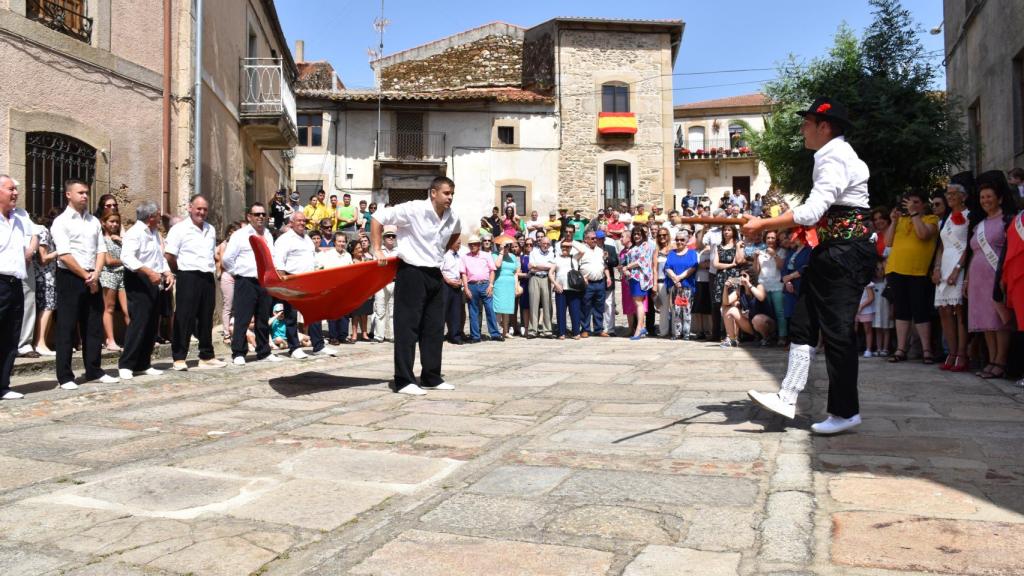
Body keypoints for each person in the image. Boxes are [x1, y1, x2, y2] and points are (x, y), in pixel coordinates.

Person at [744, 97, 876, 435]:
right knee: (803, 321)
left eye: (807, 123)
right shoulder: (834, 155)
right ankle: (787, 396)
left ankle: (846, 412)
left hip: (845, 253)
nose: (803, 129)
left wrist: (763, 225)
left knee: (837, 333)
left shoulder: (834, 156)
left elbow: (811, 212)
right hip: (833, 251)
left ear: (825, 126)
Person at [371, 176, 460, 395]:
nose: (450, 197)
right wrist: (378, 248)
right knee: (407, 327)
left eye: (452, 194)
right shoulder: (413, 209)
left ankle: (431, 376)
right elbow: (378, 217)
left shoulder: (452, 216)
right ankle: (404, 380)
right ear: (433, 193)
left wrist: (441, 251)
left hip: (434, 273)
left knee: (434, 328)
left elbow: (457, 231)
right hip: (411, 271)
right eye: (446, 193)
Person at [51, 180, 118, 390]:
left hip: (92, 275)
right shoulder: (61, 222)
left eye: (87, 193)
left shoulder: (93, 222)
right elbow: (64, 254)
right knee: (67, 326)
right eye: (80, 193)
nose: (85, 196)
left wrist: (96, 274)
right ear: (68, 195)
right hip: (70, 277)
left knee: (93, 324)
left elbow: (100, 250)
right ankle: (65, 376)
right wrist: (85, 275)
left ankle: (94, 369)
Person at [165, 195, 225, 371]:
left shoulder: (210, 229)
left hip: (207, 276)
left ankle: (206, 355)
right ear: (190, 208)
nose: (202, 212)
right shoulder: (179, 229)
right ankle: (179, 357)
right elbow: (169, 255)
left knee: (206, 317)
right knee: (184, 317)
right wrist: (180, 271)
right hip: (188, 275)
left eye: (205, 209)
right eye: (199, 208)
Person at [118, 201, 172, 380]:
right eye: (157, 215)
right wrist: (148, 272)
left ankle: (143, 363)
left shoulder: (155, 233)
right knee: (139, 322)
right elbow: (127, 258)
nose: (159, 218)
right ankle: (126, 364)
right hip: (139, 279)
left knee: (151, 323)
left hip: (155, 280)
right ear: (150, 218)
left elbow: (159, 257)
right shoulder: (135, 233)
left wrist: (167, 272)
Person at [968, 180, 1016, 379]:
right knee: (986, 320)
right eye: (982, 197)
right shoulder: (980, 224)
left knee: (999, 320)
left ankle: (1001, 361)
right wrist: (967, 281)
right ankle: (991, 359)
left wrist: (1005, 277)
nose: (985, 200)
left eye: (989, 196)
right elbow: (973, 254)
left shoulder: (1007, 221)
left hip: (996, 276)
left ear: (1000, 198)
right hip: (978, 279)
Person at [885, 191, 939, 364]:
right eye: (909, 202)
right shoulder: (901, 220)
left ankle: (926, 350)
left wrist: (915, 214)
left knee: (920, 311)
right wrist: (893, 221)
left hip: (918, 272)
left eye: (916, 202)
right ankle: (901, 349)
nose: (912, 205)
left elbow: (923, 235)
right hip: (895, 270)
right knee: (901, 311)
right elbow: (888, 242)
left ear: (923, 204)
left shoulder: (931, 219)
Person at [273, 211, 337, 358]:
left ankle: (318, 346)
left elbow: (312, 258)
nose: (302, 223)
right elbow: (279, 262)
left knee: (314, 313)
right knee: (291, 315)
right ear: (291, 222)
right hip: (292, 278)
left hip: (309, 279)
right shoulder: (284, 239)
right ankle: (294, 348)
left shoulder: (307, 238)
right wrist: (283, 281)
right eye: (299, 221)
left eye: (304, 221)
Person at [223, 203, 279, 366]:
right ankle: (238, 353)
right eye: (257, 214)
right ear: (249, 217)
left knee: (263, 318)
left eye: (263, 214)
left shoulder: (268, 234)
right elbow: (227, 259)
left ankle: (263, 351)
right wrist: (239, 273)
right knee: (243, 318)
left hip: (264, 282)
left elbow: (272, 257)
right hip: (246, 281)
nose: (261, 217)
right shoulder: (240, 235)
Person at [932, 183, 970, 371]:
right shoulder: (946, 217)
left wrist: (957, 270)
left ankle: (962, 354)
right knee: (944, 310)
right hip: (945, 263)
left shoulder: (970, 215)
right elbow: (941, 246)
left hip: (960, 265)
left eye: (954, 193)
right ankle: (952, 352)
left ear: (963, 196)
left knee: (959, 310)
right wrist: (937, 268)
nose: (950, 196)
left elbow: (968, 246)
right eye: (948, 193)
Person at [0, 174, 30, 399]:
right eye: (11, 189)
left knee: (11, 336)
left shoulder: (20, 219)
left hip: (15, 283)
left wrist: (31, 249)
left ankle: (3, 385)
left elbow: (36, 233)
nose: (16, 193)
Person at [460, 234, 501, 343]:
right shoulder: (465, 257)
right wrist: (466, 288)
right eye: (470, 245)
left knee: (490, 309)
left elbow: (492, 270)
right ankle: (475, 336)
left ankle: (495, 334)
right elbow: (463, 273)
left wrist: (491, 285)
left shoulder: (486, 255)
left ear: (479, 245)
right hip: (472, 285)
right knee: (473, 311)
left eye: (475, 244)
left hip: (485, 284)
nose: (472, 246)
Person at [315, 231, 353, 344]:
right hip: (332, 288)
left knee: (345, 313)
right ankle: (333, 336)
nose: (341, 244)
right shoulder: (327, 255)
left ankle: (343, 335)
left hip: (345, 288)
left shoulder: (348, 255)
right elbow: (319, 268)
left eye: (343, 241)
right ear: (334, 242)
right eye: (339, 241)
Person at [98, 210, 128, 351]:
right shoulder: (102, 239)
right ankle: (110, 340)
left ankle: (133, 338)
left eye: (117, 222)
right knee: (109, 308)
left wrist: (122, 241)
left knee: (127, 309)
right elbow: (108, 260)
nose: (115, 224)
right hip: (108, 275)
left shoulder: (120, 240)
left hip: (122, 275)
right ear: (104, 223)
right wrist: (124, 261)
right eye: (111, 221)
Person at [722, 269, 775, 347]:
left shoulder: (759, 286)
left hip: (766, 323)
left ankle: (766, 339)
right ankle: (732, 339)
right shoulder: (740, 290)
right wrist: (726, 288)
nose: (741, 278)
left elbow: (761, 297)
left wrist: (748, 284)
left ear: (751, 277)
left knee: (757, 319)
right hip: (751, 323)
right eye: (740, 276)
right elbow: (726, 302)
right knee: (729, 310)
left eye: (744, 276)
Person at [573, 231, 610, 337]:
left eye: (595, 238)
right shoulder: (582, 250)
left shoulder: (600, 250)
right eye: (592, 238)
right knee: (585, 307)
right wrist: (580, 276)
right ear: (586, 240)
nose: (595, 240)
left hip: (600, 282)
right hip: (587, 283)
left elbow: (604, 264)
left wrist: (607, 277)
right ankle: (585, 329)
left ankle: (598, 329)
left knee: (599, 307)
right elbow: (574, 263)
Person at [621, 227, 654, 340]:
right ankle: (640, 327)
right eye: (634, 234)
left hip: (640, 277)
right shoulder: (634, 247)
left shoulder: (645, 245)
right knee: (636, 303)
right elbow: (627, 260)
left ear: (643, 235)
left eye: (638, 234)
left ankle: (639, 328)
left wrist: (628, 267)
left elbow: (642, 260)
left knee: (639, 303)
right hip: (632, 277)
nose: (636, 236)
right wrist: (625, 268)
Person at [33, 208, 59, 356]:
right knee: (47, 308)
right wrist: (59, 251)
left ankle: (42, 342)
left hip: (45, 276)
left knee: (48, 307)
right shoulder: (43, 230)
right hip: (45, 276)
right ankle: (40, 342)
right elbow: (43, 258)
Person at [664, 229, 698, 339]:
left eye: (682, 240)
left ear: (687, 240)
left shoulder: (692, 253)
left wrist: (679, 278)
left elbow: (693, 267)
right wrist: (675, 279)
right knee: (676, 310)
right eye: (677, 240)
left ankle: (686, 333)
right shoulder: (671, 253)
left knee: (687, 309)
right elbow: (667, 267)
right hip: (674, 285)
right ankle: (677, 333)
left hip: (687, 285)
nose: (679, 242)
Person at [754, 230, 787, 342]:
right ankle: (768, 336)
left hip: (777, 285)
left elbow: (781, 267)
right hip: (763, 286)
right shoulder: (761, 252)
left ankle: (782, 336)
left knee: (779, 312)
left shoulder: (782, 251)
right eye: (768, 238)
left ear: (776, 239)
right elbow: (757, 271)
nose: (770, 240)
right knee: (767, 313)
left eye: (773, 238)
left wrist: (774, 254)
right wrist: (755, 258)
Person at [371, 225, 398, 343]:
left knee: (393, 312)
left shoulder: (399, 251)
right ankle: (379, 336)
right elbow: (374, 268)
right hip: (381, 283)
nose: (391, 238)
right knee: (380, 311)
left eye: (393, 236)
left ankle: (392, 336)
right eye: (388, 236)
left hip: (395, 283)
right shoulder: (378, 251)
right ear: (383, 238)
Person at [216, 221, 241, 344]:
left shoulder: (240, 245)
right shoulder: (224, 245)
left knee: (238, 306)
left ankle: (237, 331)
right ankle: (226, 333)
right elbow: (224, 262)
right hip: (228, 276)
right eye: (232, 232)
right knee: (228, 306)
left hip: (239, 276)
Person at [552, 240, 582, 339]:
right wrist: (555, 284)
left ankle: (576, 332)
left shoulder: (574, 257)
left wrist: (571, 244)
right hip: (561, 288)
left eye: (567, 247)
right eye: (563, 247)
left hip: (573, 288)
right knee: (560, 312)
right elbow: (550, 273)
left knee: (575, 311)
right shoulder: (557, 258)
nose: (565, 248)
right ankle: (561, 333)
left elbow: (582, 251)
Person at [528, 236, 555, 338]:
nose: (546, 245)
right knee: (533, 304)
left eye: (548, 244)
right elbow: (530, 266)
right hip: (535, 278)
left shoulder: (551, 253)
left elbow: (551, 267)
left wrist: (537, 266)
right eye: (544, 243)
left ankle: (547, 330)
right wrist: (545, 266)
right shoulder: (533, 252)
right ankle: (532, 330)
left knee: (547, 305)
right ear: (540, 243)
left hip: (546, 278)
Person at [493, 240, 519, 338]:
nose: (507, 248)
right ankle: (497, 330)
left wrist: (516, 286)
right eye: (505, 246)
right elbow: (497, 265)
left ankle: (505, 331)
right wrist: (501, 252)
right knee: (499, 307)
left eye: (508, 246)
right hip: (499, 282)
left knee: (507, 308)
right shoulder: (495, 255)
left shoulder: (512, 256)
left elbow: (515, 272)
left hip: (510, 283)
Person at [441, 238, 464, 345]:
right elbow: (440, 271)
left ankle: (454, 335)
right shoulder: (445, 255)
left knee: (456, 311)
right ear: (451, 243)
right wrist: (449, 281)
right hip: (446, 285)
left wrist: (460, 281)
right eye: (458, 243)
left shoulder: (459, 256)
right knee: (443, 311)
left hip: (457, 285)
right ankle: (438, 335)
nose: (459, 245)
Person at [870, 262, 892, 356]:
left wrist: (892, 309)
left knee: (886, 328)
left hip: (886, 308)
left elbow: (891, 298)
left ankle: (885, 348)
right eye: (877, 269)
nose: (880, 272)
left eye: (882, 269)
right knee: (878, 329)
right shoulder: (872, 283)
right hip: (876, 309)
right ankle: (878, 348)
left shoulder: (887, 282)